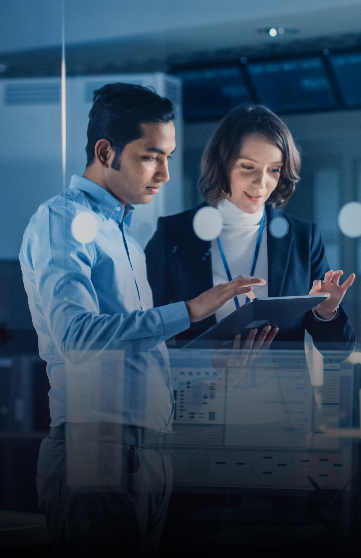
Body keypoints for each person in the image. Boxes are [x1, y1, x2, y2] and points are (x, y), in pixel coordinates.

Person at [19, 84, 269, 557]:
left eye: (169, 156)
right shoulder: (61, 220)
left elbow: (133, 354)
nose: (164, 173)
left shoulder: (128, 238)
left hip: (148, 452)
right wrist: (191, 310)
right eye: (151, 156)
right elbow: (75, 336)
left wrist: (216, 368)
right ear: (105, 151)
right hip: (98, 446)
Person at [145, 103, 355, 351]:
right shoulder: (173, 234)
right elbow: (147, 332)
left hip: (283, 389)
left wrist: (327, 312)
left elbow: (338, 352)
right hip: (200, 388)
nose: (261, 183)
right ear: (223, 164)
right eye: (248, 167)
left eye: (274, 170)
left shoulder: (302, 239)